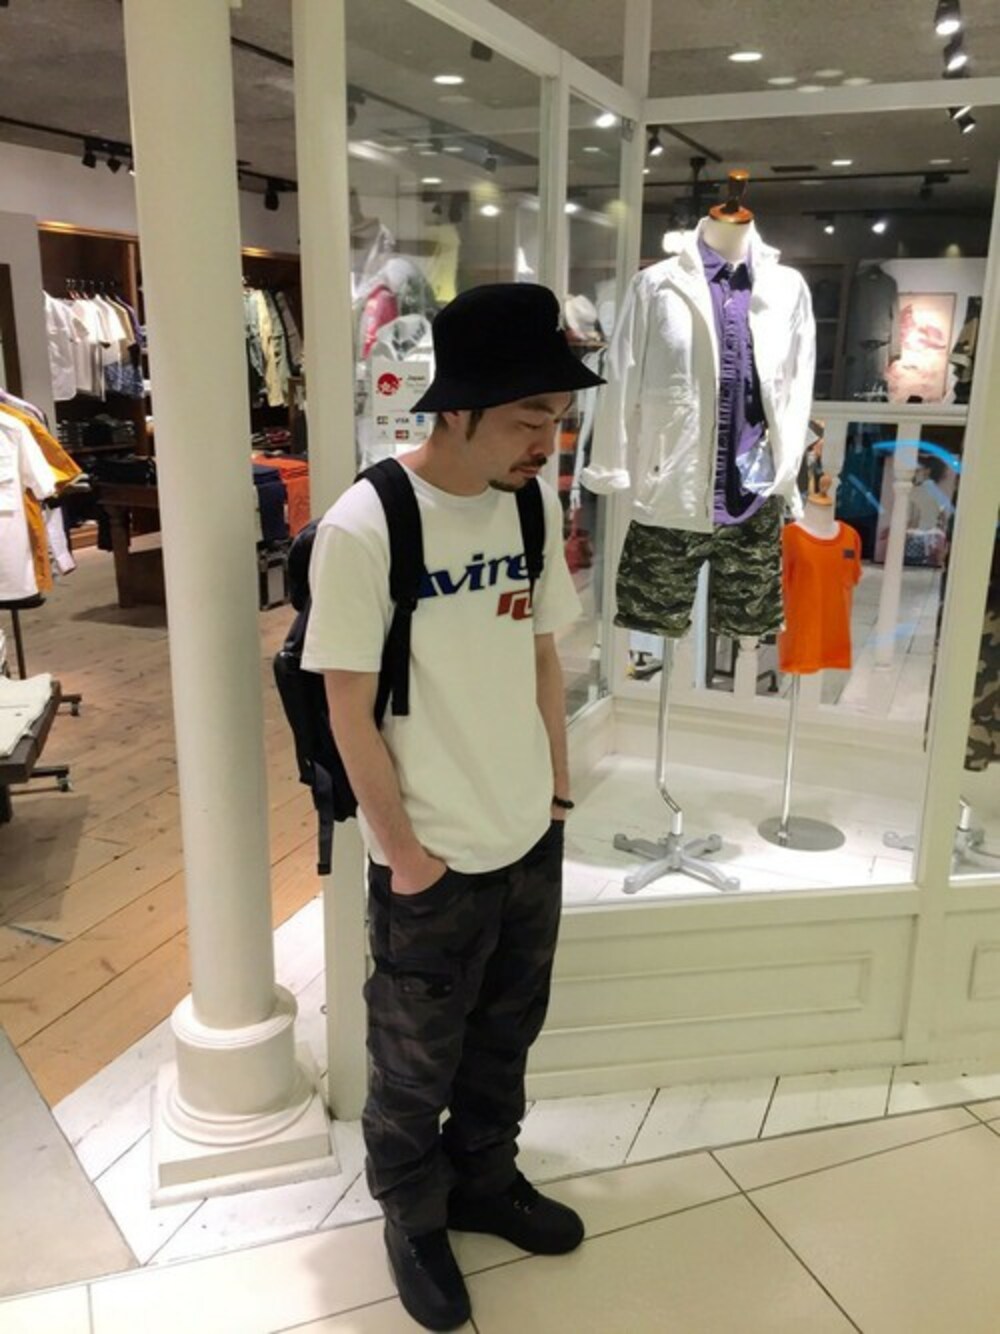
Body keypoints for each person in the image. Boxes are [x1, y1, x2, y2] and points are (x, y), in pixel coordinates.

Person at [301, 283, 605, 1332]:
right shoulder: (367, 524)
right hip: (429, 854)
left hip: (527, 834)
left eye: (557, 419)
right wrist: (405, 855)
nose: (546, 443)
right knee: (410, 1061)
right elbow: (345, 706)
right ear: (459, 408)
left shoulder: (529, 504)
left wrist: (555, 793)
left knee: (505, 1034)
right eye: (529, 419)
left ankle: (485, 1178)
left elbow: (541, 656)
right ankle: (414, 1217)